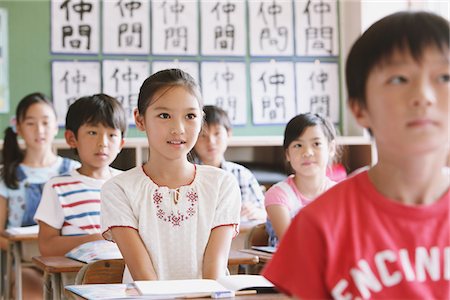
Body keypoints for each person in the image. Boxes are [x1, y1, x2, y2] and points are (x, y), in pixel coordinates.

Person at [263, 11, 449, 299]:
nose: (424, 95)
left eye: (444, 77)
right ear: (359, 108)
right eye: (400, 78)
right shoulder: (319, 226)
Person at [101, 69, 241, 282]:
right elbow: (143, 276)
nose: (178, 128)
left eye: (190, 116)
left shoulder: (222, 184)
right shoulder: (118, 189)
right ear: (140, 120)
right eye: (164, 115)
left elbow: (214, 271)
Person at [0, 92, 79, 300]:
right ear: (18, 127)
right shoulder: (7, 175)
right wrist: (28, 250)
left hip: (71, 261)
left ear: (56, 126)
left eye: (45, 122)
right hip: (24, 264)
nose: (39, 130)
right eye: (31, 123)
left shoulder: (74, 170)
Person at [35, 94, 127, 257]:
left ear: (121, 143)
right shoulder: (57, 187)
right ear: (72, 139)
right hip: (77, 278)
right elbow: (47, 246)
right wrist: (95, 239)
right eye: (92, 132)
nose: (103, 143)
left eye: (112, 135)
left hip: (125, 276)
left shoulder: (128, 184)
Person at [264, 113, 338, 247]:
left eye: (316, 144)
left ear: (331, 148)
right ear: (287, 154)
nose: (307, 152)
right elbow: (293, 244)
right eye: (298, 145)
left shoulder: (340, 194)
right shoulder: (278, 195)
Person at [193, 105, 266, 223]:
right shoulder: (186, 175)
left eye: (217, 133)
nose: (211, 142)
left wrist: (255, 212)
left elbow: (266, 213)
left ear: (229, 134)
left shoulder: (242, 174)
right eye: (203, 135)